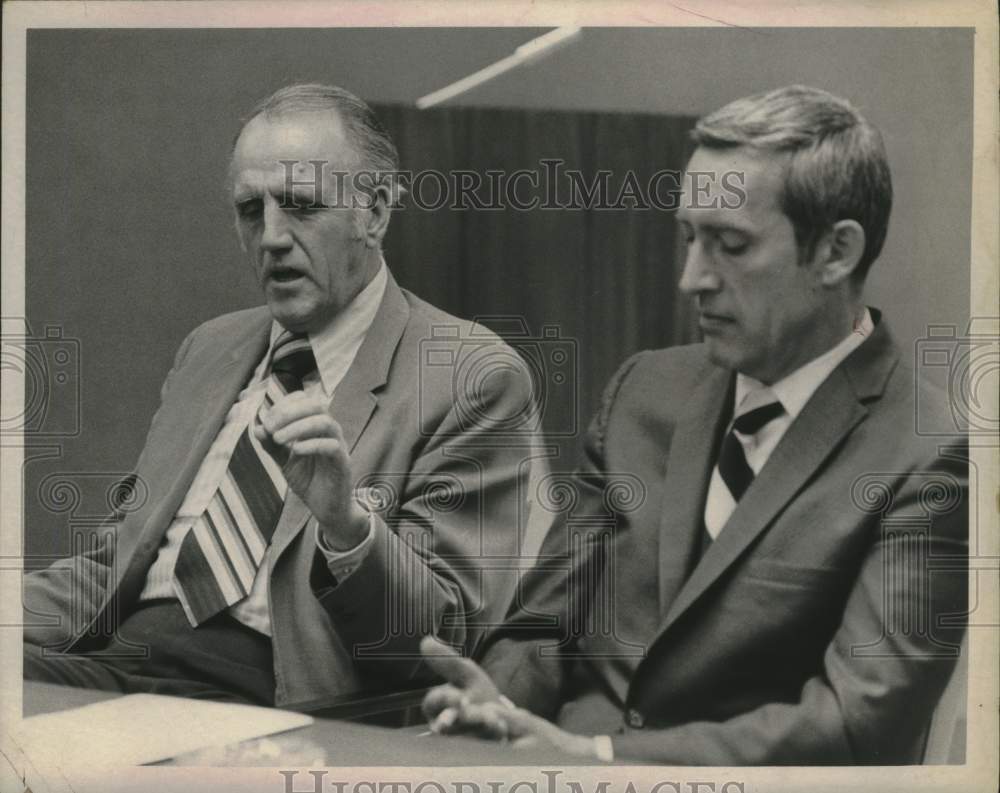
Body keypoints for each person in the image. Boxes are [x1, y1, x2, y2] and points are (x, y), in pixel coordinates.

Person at [420, 85, 968, 764]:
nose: (691, 278)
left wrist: (601, 757)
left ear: (836, 252)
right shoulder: (642, 389)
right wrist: (496, 707)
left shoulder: (928, 450)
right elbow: (543, 625)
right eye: (689, 238)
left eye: (730, 245)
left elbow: (858, 721)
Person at [22, 83, 537, 711]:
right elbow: (116, 563)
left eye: (300, 205)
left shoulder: (468, 374)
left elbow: (440, 642)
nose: (270, 236)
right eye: (250, 209)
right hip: (114, 661)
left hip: (268, 696)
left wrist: (345, 525)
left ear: (374, 213)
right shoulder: (209, 349)